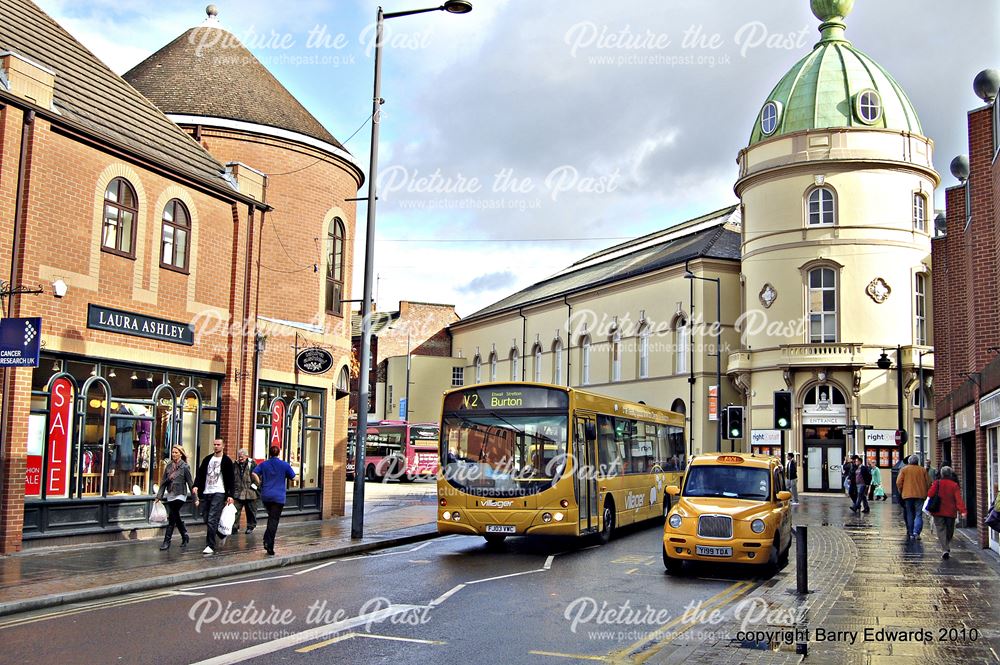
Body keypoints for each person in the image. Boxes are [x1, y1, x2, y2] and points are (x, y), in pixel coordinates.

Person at [192, 439, 235, 556]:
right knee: (206, 518)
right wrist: (196, 485)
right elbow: (200, 474)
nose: (216, 446)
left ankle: (210, 545)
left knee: (211, 518)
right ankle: (221, 534)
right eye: (214, 444)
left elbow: (231, 479)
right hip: (207, 492)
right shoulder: (207, 459)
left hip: (219, 492)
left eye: (218, 445)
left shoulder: (226, 461)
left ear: (223, 446)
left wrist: (230, 495)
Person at [253, 445, 296, 556]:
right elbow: (293, 477)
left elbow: (254, 473)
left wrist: (259, 483)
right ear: (279, 454)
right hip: (278, 497)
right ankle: (269, 544)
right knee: (274, 520)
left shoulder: (264, 464)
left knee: (271, 518)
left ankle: (267, 539)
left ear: (270, 453)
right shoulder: (284, 465)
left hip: (266, 495)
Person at [154, 445, 193, 550]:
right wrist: (159, 496)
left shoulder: (185, 466)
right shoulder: (169, 466)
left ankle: (166, 541)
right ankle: (184, 535)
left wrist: (196, 498)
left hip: (180, 494)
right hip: (170, 494)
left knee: (172, 516)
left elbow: (190, 482)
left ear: (181, 454)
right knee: (176, 516)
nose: (174, 454)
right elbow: (163, 482)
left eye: (176, 452)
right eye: (173, 452)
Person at [927, 466, 967, 559]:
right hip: (950, 512)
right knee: (950, 530)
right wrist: (962, 511)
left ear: (941, 474)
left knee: (940, 529)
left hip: (938, 510)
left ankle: (945, 548)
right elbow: (958, 499)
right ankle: (946, 547)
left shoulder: (937, 483)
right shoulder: (954, 485)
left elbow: (930, 494)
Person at [896, 454, 931, 540]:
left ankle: (911, 532)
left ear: (909, 461)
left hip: (907, 495)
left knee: (910, 513)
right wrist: (926, 491)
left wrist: (901, 491)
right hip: (920, 495)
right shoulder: (922, 470)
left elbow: (898, 482)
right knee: (918, 514)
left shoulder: (904, 470)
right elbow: (929, 483)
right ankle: (917, 532)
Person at [232, 448, 259, 534]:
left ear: (246, 456)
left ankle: (250, 526)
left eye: (242, 457)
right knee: (235, 511)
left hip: (250, 493)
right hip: (238, 492)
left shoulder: (253, 464)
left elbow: (258, 477)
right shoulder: (235, 465)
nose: (240, 459)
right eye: (239, 457)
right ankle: (234, 527)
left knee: (251, 511)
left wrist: (254, 487)